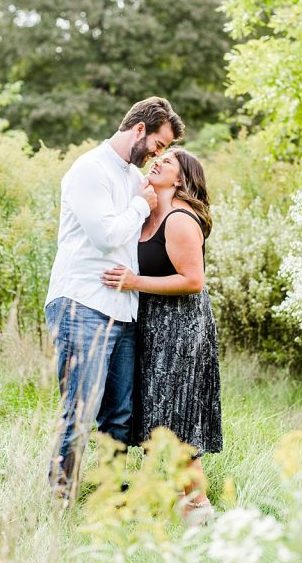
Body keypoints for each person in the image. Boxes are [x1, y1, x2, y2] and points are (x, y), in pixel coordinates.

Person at [44, 97, 185, 504]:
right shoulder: (90, 170)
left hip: (123, 310)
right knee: (81, 410)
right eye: (158, 144)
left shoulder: (130, 177)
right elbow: (107, 235)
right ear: (140, 130)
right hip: (82, 303)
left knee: (119, 415)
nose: (158, 154)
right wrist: (144, 204)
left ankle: (110, 499)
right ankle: (59, 500)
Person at [101, 148, 222, 522]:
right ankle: (166, 498)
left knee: (177, 415)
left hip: (183, 329)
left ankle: (199, 509)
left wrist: (135, 282)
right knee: (157, 413)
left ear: (181, 179)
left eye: (167, 162)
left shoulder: (179, 219)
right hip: (152, 323)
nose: (158, 162)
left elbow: (193, 280)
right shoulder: (148, 214)